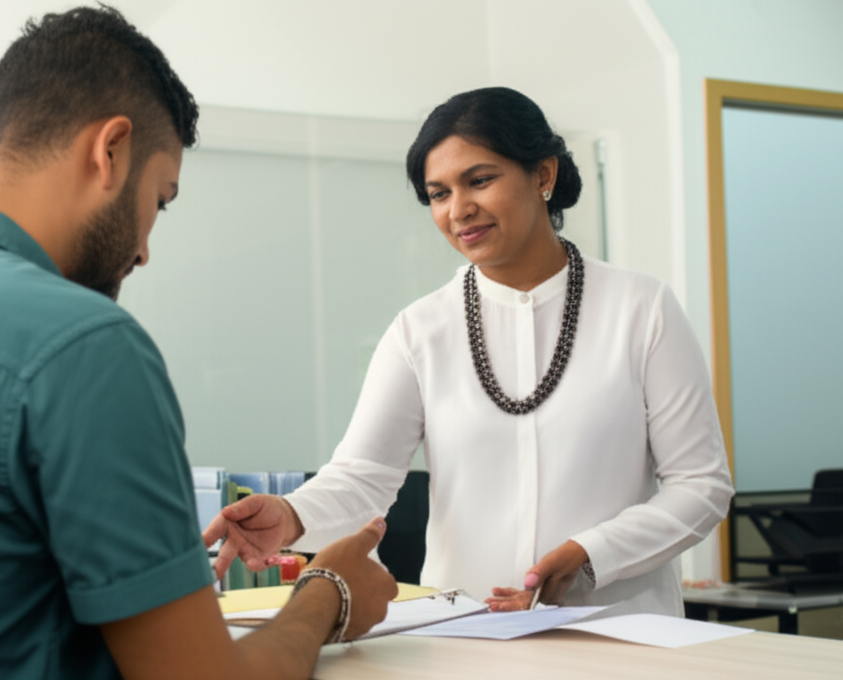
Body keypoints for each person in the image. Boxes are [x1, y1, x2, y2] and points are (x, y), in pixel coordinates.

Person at [0, 7, 396, 680]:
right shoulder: (82, 346)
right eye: (160, 199)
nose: (145, 250)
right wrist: (328, 594)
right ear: (110, 151)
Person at [205, 87, 734, 617]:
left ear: (543, 175)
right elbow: (363, 477)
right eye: (438, 194)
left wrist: (590, 553)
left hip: (620, 635)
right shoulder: (420, 330)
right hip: (464, 634)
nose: (459, 210)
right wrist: (291, 515)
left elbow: (701, 484)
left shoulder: (642, 309)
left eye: (479, 180)